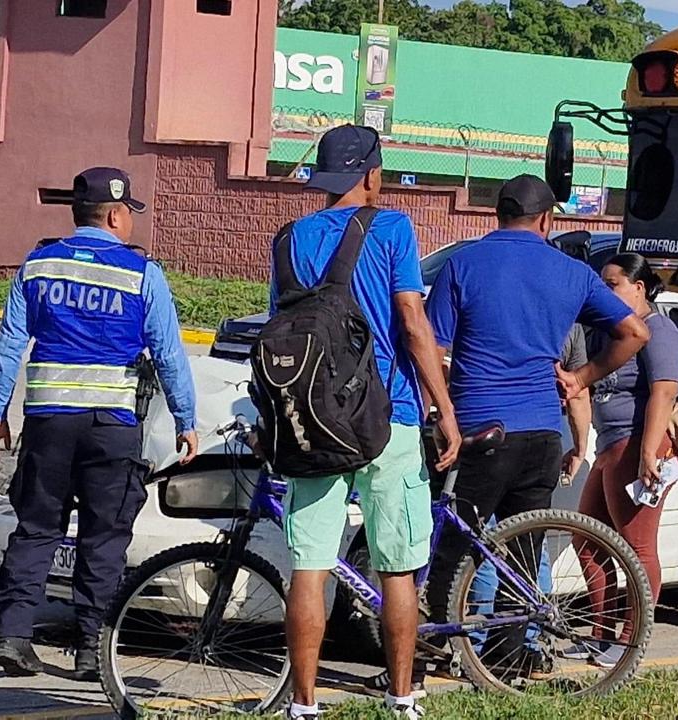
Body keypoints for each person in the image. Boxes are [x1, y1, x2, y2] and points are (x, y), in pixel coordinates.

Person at [269, 124, 460, 720]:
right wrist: (445, 408)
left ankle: (305, 706)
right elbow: (412, 320)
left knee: (310, 566)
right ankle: (402, 698)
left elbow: (281, 328)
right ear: (372, 174)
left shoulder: (289, 239)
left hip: (312, 422)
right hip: (391, 416)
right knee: (397, 566)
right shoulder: (392, 228)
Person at [424, 174, 649, 674]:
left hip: (481, 430)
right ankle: (511, 662)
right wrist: (580, 377)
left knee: (456, 546)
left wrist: (441, 413)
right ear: (547, 220)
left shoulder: (463, 263)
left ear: (496, 214)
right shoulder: (570, 272)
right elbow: (633, 332)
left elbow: (432, 349)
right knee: (522, 552)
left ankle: (425, 652)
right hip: (543, 434)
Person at [0, 167, 198, 681]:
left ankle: (14, 637)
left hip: (48, 422)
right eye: (129, 217)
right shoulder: (142, 274)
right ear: (117, 215)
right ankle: (90, 651)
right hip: (111, 425)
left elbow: (11, 343)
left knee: (35, 529)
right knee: (104, 536)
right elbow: (169, 354)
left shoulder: (37, 265)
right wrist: (186, 419)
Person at [574, 253, 678, 668]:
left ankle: (630, 640)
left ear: (638, 288)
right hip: (610, 446)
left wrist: (647, 454)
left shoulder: (659, 331)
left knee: (637, 548)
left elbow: (663, 391)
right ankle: (600, 633)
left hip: (639, 446)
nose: (605, 292)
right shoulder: (613, 330)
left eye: (612, 284)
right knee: (587, 539)